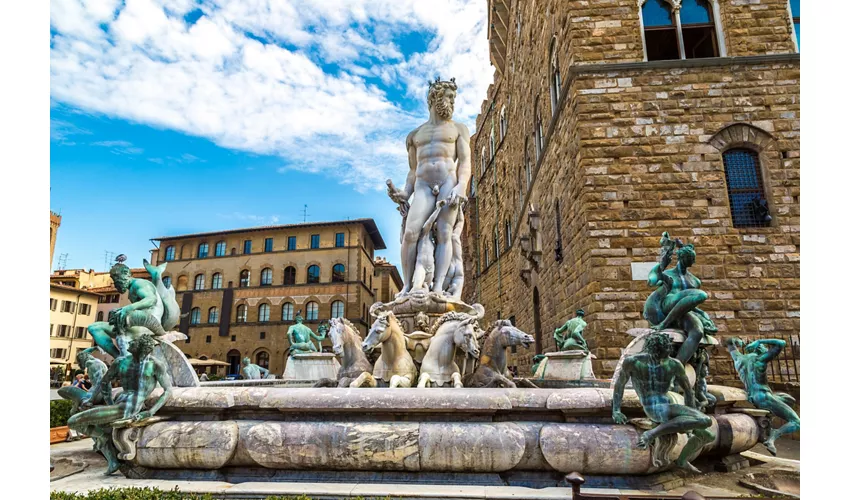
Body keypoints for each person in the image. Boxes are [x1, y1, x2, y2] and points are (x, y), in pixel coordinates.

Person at [387, 77, 472, 295]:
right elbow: (413, 171)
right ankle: (407, 285)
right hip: (423, 185)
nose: (452, 102)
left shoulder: (459, 129)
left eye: (454, 98)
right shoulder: (415, 135)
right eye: (449, 97)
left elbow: (465, 162)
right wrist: (404, 192)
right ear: (435, 97)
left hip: (448, 183)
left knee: (444, 233)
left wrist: (462, 185)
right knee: (410, 234)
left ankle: (437, 288)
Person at [612, 332, 714, 473]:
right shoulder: (633, 362)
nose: (670, 350)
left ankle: (681, 461)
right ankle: (651, 434)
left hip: (667, 405)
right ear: (656, 348)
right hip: (654, 409)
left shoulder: (673, 364)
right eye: (667, 347)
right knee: (705, 420)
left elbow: (689, 392)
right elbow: (619, 385)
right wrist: (616, 410)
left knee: (709, 435)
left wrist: (690, 420)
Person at [643, 233, 717, 365]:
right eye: (691, 259)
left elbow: (690, 304)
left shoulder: (695, 281)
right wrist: (663, 260)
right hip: (665, 305)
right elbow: (652, 282)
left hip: (681, 312)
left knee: (697, 332)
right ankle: (665, 323)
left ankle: (676, 367)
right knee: (701, 295)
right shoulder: (668, 274)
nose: (693, 262)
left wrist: (703, 315)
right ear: (683, 258)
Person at [725, 337, 800, 456]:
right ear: (759, 350)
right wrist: (760, 341)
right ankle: (772, 437)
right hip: (764, 396)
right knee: (796, 422)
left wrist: (736, 342)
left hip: (754, 396)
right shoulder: (760, 360)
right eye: (764, 349)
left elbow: (729, 342)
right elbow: (781, 343)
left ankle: (769, 420)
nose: (766, 350)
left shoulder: (738, 359)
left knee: (788, 399)